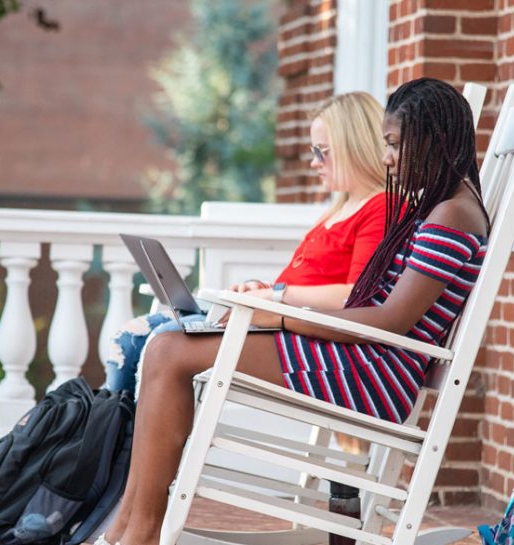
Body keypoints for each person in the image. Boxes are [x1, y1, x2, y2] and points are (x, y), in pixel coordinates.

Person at [98, 78, 490, 545]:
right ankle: (129, 527)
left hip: (373, 373)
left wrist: (276, 316)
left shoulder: (452, 215)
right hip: (360, 357)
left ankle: (138, 533)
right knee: (167, 347)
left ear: (434, 140)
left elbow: (390, 322)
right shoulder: (441, 208)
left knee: (169, 352)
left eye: (393, 145)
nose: (387, 158)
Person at [106, 91, 389, 396]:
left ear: (354, 147)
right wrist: (261, 289)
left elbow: (355, 294)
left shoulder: (379, 207)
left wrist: (277, 295)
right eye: (312, 151)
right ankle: (114, 437)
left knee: (161, 338)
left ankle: (124, 440)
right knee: (128, 338)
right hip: (270, 320)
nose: (313, 162)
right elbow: (305, 282)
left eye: (322, 151)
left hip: (300, 338)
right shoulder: (338, 210)